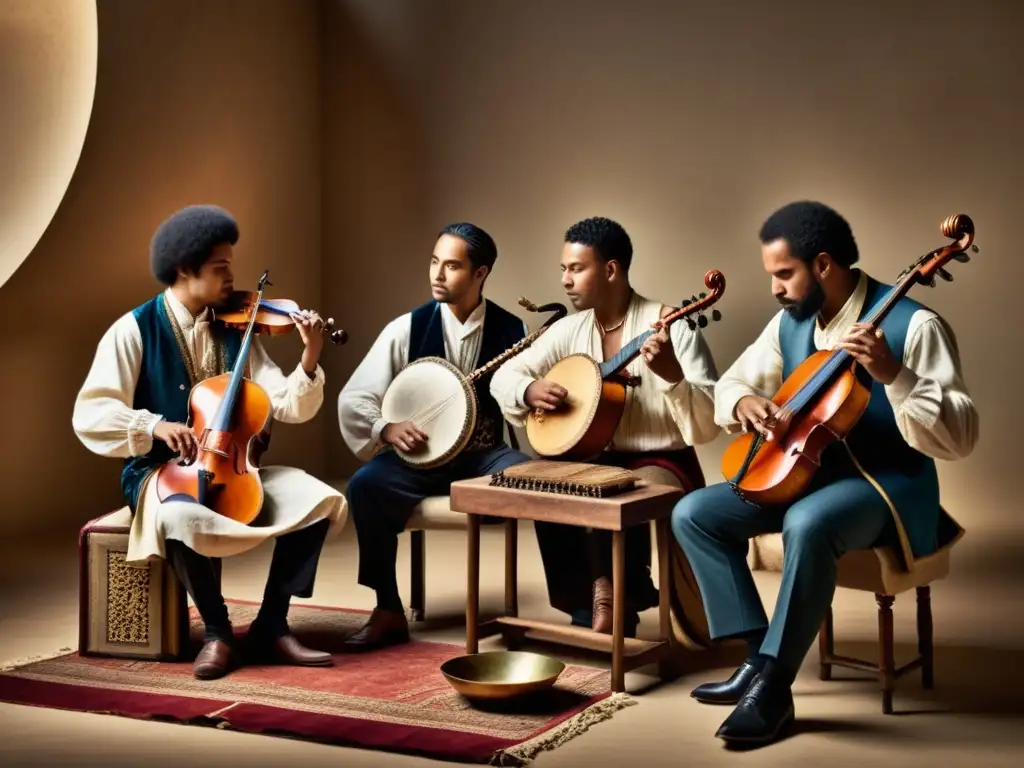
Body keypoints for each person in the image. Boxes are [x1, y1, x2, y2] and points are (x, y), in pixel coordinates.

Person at [671, 200, 979, 745]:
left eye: (783, 274)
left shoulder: (915, 324)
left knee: (808, 523)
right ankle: (754, 657)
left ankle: (773, 688)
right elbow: (732, 385)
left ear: (823, 265)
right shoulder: (789, 323)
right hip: (804, 474)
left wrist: (895, 374)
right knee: (693, 513)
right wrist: (745, 404)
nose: (774, 288)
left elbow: (960, 436)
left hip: (885, 487)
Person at [72, 204, 348, 681]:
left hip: (237, 468)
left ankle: (271, 623)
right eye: (221, 267)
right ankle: (219, 633)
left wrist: (309, 355)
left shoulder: (236, 326)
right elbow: (90, 413)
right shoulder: (133, 330)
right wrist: (153, 426)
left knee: (319, 499)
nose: (231, 278)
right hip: (160, 473)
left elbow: (286, 404)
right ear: (185, 269)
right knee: (178, 511)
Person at [489, 216, 722, 641]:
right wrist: (528, 390)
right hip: (591, 455)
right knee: (549, 482)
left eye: (576, 269)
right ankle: (587, 603)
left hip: (660, 459)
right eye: (563, 269)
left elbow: (708, 422)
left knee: (613, 487)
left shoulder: (674, 326)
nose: (565, 280)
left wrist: (672, 376)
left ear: (611, 270)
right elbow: (504, 376)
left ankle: (613, 599)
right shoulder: (569, 330)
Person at [337, 222, 532, 651]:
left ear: (480, 274)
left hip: (485, 457)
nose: (437, 275)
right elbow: (356, 396)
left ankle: (578, 610)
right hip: (418, 460)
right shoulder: (406, 328)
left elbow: (525, 403)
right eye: (434, 262)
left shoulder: (511, 329)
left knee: (537, 481)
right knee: (366, 485)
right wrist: (386, 429)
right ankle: (387, 608)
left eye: (452, 266)